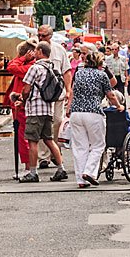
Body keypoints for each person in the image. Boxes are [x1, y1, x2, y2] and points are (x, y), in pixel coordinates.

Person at [67, 51, 124, 188]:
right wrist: (118, 105)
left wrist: (68, 108)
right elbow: (110, 94)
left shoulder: (79, 73)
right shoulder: (102, 75)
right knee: (98, 145)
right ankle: (89, 172)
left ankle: (81, 179)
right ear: (99, 63)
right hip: (93, 113)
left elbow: (73, 91)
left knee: (80, 147)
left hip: (76, 113)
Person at [18, 42, 68, 182]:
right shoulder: (51, 67)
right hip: (48, 109)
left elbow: (26, 89)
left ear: (40, 51)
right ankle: (61, 168)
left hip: (35, 109)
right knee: (49, 140)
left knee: (32, 141)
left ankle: (33, 173)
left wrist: (23, 99)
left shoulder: (35, 68)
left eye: (35, 51)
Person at [36, 25, 72, 169]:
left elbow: (67, 71)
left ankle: (54, 153)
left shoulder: (59, 50)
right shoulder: (34, 47)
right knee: (42, 124)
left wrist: (68, 90)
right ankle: (43, 157)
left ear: (50, 36)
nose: (40, 38)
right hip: (40, 96)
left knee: (57, 122)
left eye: (43, 36)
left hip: (57, 94)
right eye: (39, 35)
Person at [6, 40, 37, 172]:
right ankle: (28, 165)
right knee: (25, 136)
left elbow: (11, 67)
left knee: (23, 137)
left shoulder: (29, 67)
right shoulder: (28, 65)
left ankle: (28, 166)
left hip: (21, 105)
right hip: (21, 104)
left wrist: (23, 58)